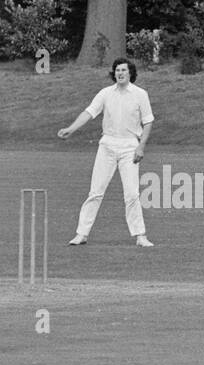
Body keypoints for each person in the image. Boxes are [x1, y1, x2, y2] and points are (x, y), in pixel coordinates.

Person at [58, 58, 154, 248]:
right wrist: (71, 128)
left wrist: (141, 146)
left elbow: (148, 121)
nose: (120, 73)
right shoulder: (105, 93)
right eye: (117, 70)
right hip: (107, 145)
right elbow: (89, 112)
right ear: (114, 73)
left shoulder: (140, 94)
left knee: (132, 194)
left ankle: (140, 235)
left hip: (129, 147)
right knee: (95, 192)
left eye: (123, 70)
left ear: (130, 73)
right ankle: (81, 234)